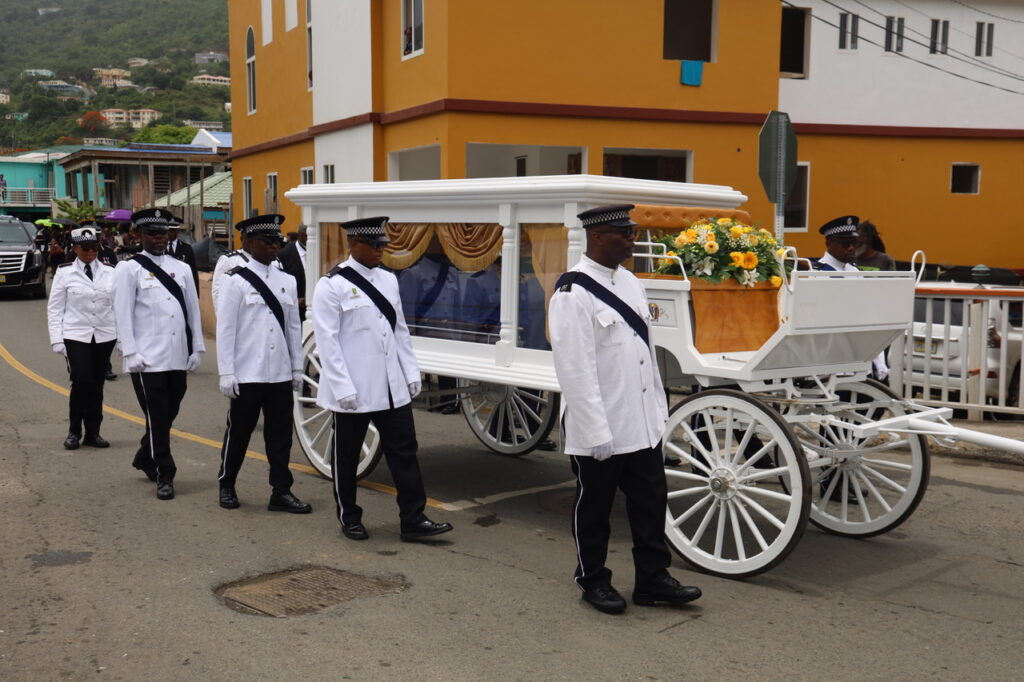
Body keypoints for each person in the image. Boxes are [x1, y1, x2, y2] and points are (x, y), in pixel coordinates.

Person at [548, 204, 701, 615]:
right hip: (602, 425)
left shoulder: (630, 281)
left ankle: (652, 579)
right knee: (594, 509)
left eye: (632, 232)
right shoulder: (572, 293)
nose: (633, 240)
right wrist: (595, 432)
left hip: (640, 422)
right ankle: (592, 580)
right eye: (625, 233)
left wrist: (658, 411)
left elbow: (645, 352)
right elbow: (574, 370)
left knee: (650, 503)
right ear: (598, 237)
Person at [311, 216, 453, 542]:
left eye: (382, 245)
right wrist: (342, 387)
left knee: (405, 452)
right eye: (374, 245)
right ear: (354, 244)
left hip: (391, 386)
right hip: (356, 388)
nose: (380, 250)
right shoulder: (331, 285)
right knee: (347, 457)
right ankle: (349, 516)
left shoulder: (389, 280)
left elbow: (399, 330)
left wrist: (411, 372)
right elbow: (327, 342)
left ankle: (413, 519)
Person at [215, 214, 311, 513]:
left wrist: (297, 367)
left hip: (279, 371)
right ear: (248, 242)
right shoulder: (235, 281)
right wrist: (227, 372)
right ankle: (227, 483)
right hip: (248, 372)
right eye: (267, 241)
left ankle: (281, 491)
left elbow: (293, 327)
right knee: (239, 431)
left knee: (280, 436)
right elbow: (226, 329)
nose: (274, 246)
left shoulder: (287, 280)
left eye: (277, 241)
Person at [112, 208, 205, 500]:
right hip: (147, 358)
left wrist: (197, 347)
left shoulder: (182, 268)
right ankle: (165, 472)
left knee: (168, 412)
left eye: (162, 233)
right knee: (157, 415)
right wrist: (130, 351)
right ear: (138, 235)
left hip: (177, 354)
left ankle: (145, 455)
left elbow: (193, 311)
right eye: (152, 233)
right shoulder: (129, 269)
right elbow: (122, 313)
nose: (159, 238)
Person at [46, 226, 117, 450]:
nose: (91, 253)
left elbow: (117, 307)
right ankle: (74, 431)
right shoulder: (65, 272)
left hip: (104, 334)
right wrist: (57, 339)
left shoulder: (110, 272)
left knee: (97, 384)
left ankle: (93, 432)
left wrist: (123, 338)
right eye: (86, 248)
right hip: (75, 334)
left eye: (95, 248)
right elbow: (55, 308)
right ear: (75, 248)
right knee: (81, 381)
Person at [277, 223, 308, 321]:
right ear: (299, 235)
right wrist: (296, 300)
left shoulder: (320, 250)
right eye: (306, 236)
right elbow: (280, 282)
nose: (309, 239)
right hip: (296, 311)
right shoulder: (285, 254)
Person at [166, 216, 200, 290]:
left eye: (173, 230)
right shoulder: (159, 248)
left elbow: (193, 274)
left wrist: (196, 294)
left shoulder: (187, 249)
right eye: (168, 230)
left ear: (178, 230)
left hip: (182, 288)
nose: (170, 233)